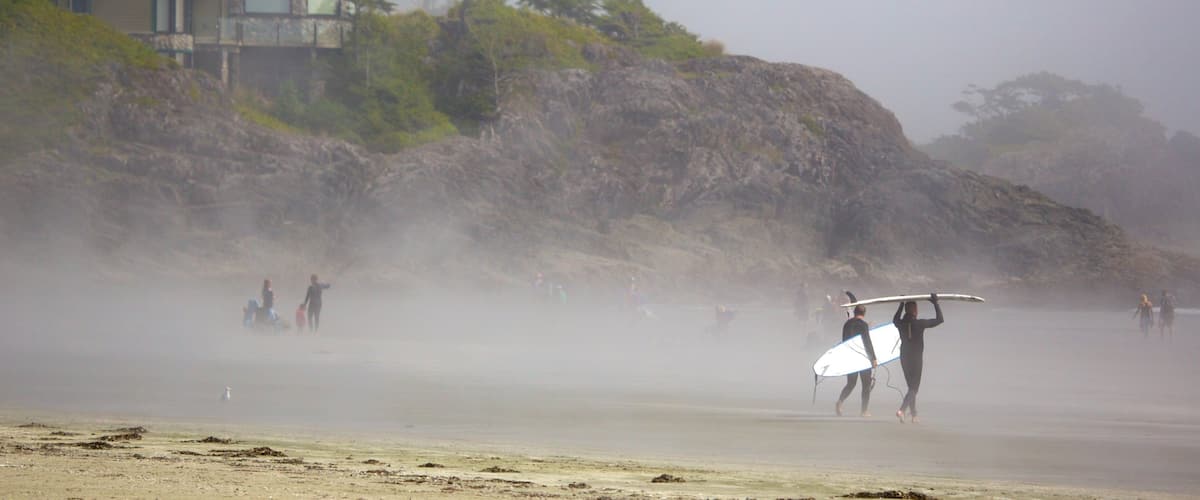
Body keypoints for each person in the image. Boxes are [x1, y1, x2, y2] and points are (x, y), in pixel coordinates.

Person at [894, 294, 943, 424]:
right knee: (914, 388)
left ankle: (914, 415)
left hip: (904, 357)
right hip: (915, 358)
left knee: (911, 387)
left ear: (906, 310)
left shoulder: (900, 323)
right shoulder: (920, 323)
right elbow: (940, 320)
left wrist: (901, 304)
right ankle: (902, 410)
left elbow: (895, 319)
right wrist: (935, 303)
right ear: (915, 311)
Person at [836, 305, 876, 417]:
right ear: (864, 313)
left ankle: (840, 402)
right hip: (862, 358)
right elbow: (867, 342)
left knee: (851, 383)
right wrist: (873, 358)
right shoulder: (863, 325)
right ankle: (864, 411)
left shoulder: (847, 324)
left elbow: (844, 340)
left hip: (850, 357)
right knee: (866, 385)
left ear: (854, 312)